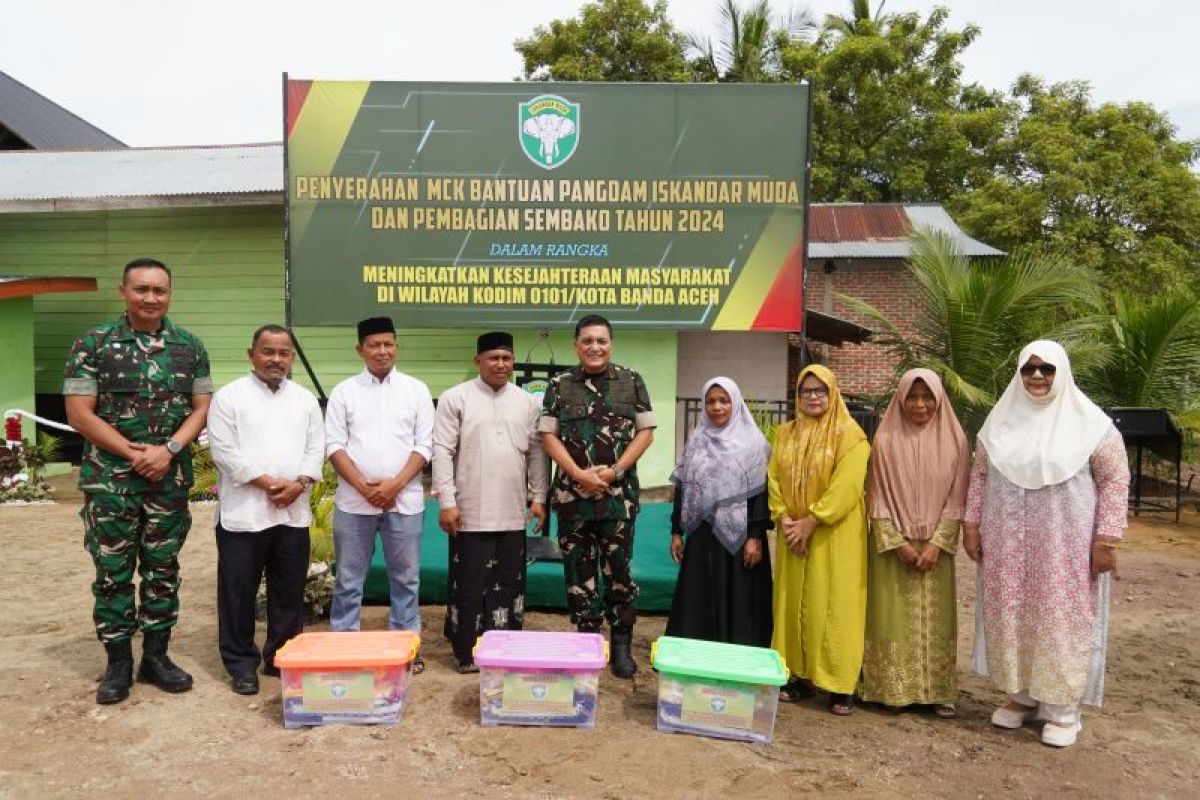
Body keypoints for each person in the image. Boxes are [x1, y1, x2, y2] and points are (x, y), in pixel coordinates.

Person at [963, 340, 1129, 748]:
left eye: (1047, 369)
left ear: (1062, 373)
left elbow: (1114, 481)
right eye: (1029, 369)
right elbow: (980, 475)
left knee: (1058, 614)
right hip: (1008, 543)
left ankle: (1061, 709)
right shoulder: (998, 423)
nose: (1037, 376)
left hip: (1064, 545)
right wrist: (971, 524)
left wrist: (1107, 539)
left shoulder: (1092, 425)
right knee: (1013, 611)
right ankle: (1022, 697)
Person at [63, 257, 213, 705]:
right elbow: (78, 412)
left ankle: (156, 658)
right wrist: (133, 454)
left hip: (167, 481)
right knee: (112, 573)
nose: (151, 298)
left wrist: (167, 451)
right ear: (123, 291)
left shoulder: (189, 346)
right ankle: (117, 663)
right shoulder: (94, 344)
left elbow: (201, 407)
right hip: (111, 483)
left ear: (170, 294)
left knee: (163, 570)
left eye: (160, 290)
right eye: (142, 289)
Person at [206, 325, 325, 695]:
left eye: (284, 353)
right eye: (268, 351)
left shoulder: (304, 400)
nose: (276, 359)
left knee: (289, 590)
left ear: (292, 357)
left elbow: (315, 447)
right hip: (244, 514)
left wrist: (300, 483)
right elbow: (224, 452)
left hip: (293, 511)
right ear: (251, 354)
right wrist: (269, 484)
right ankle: (241, 663)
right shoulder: (229, 398)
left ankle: (281, 657)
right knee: (238, 592)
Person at [539, 314, 655, 678]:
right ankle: (588, 641)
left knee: (619, 569)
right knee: (578, 572)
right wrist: (576, 474)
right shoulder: (558, 385)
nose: (594, 347)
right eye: (587, 341)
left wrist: (615, 470)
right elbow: (548, 435)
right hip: (573, 499)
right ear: (576, 345)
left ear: (611, 344)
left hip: (618, 498)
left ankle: (621, 643)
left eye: (601, 341)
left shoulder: (631, 381)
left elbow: (646, 432)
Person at [432, 331, 549, 673]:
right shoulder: (456, 398)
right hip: (468, 510)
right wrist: (447, 501)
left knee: (508, 581)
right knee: (468, 582)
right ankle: (466, 651)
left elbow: (538, 453)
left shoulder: (528, 403)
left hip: (512, 510)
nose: (501, 364)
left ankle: (505, 647)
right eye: (493, 358)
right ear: (477, 361)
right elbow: (442, 450)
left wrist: (539, 497)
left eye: (506, 358)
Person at [325, 317, 434, 672]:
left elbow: (424, 445)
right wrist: (361, 485)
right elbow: (334, 445)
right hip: (354, 503)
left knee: (405, 579)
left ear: (396, 347)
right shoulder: (344, 392)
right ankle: (343, 647)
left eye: (389, 344)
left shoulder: (416, 390)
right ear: (360, 350)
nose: (383, 351)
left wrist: (395, 485)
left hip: (405, 501)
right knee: (348, 579)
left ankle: (405, 648)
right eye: (375, 345)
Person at [860, 368, 969, 716]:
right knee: (890, 617)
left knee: (936, 621)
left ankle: (937, 692)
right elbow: (874, 497)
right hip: (893, 549)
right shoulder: (884, 440)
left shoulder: (956, 441)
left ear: (939, 399)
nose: (920, 405)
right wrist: (898, 543)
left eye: (927, 397)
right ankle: (890, 689)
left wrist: (937, 543)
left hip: (938, 549)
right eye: (912, 396)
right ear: (901, 399)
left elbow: (958, 496)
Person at [769, 364, 870, 716]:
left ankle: (840, 685)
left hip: (833, 533)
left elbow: (848, 486)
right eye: (806, 391)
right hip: (792, 533)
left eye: (820, 390)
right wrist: (784, 518)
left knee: (834, 604)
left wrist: (813, 521)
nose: (813, 397)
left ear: (833, 393)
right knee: (792, 603)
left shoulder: (850, 435)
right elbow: (774, 480)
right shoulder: (785, 434)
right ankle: (795, 675)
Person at [665, 377, 773, 646]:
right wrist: (677, 530)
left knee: (738, 596)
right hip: (702, 534)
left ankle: (738, 659)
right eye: (711, 401)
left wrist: (755, 536)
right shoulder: (697, 441)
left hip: (740, 539)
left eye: (723, 401)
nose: (717, 407)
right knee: (699, 595)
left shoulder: (753, 443)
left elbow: (760, 492)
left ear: (735, 403)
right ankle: (694, 656)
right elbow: (684, 487)